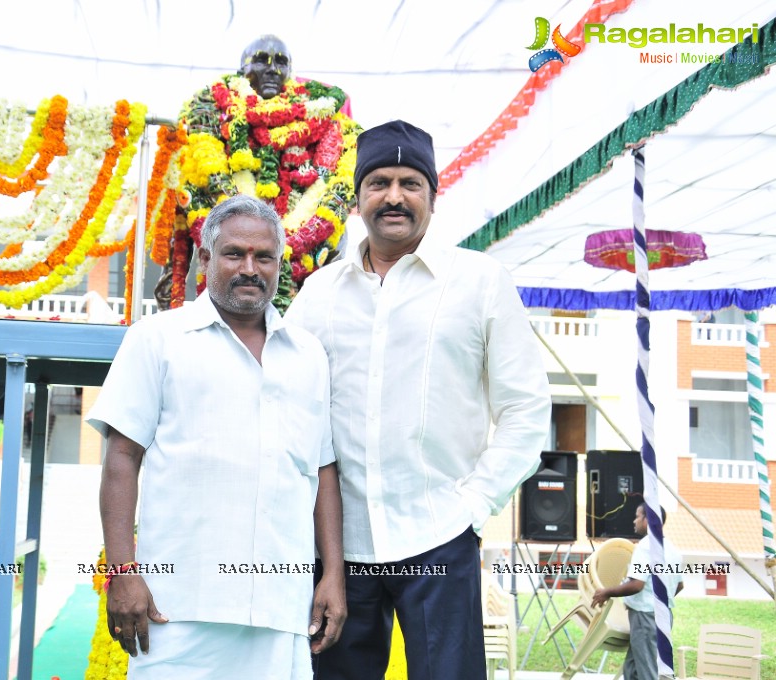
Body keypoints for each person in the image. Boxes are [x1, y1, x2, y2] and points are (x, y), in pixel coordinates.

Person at [284, 120, 552, 679]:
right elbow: (286, 402)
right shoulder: (318, 295)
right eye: (379, 181)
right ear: (358, 197)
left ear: (433, 194)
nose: (394, 196)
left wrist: (472, 506)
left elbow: (526, 411)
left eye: (411, 182)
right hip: (341, 550)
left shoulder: (479, 281)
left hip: (438, 536)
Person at [88, 194, 346, 679]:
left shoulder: (307, 354)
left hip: (280, 610)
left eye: (263, 257)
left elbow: (322, 470)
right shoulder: (157, 338)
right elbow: (122, 458)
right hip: (178, 609)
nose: (250, 268)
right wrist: (122, 573)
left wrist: (332, 574)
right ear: (205, 259)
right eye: (234, 254)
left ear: (279, 263)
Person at [162, 36, 361, 312]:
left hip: (310, 272)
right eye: (261, 60)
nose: (272, 70)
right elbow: (193, 193)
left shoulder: (325, 119)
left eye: (281, 62)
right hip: (229, 275)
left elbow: (340, 187)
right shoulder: (209, 114)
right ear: (242, 68)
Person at [591, 502, 684, 680]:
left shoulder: (646, 546)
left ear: (647, 520)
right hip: (663, 615)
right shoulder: (672, 549)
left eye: (637, 516)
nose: (634, 521)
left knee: (647, 671)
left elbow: (637, 584)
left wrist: (606, 592)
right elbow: (679, 586)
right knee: (632, 668)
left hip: (645, 618)